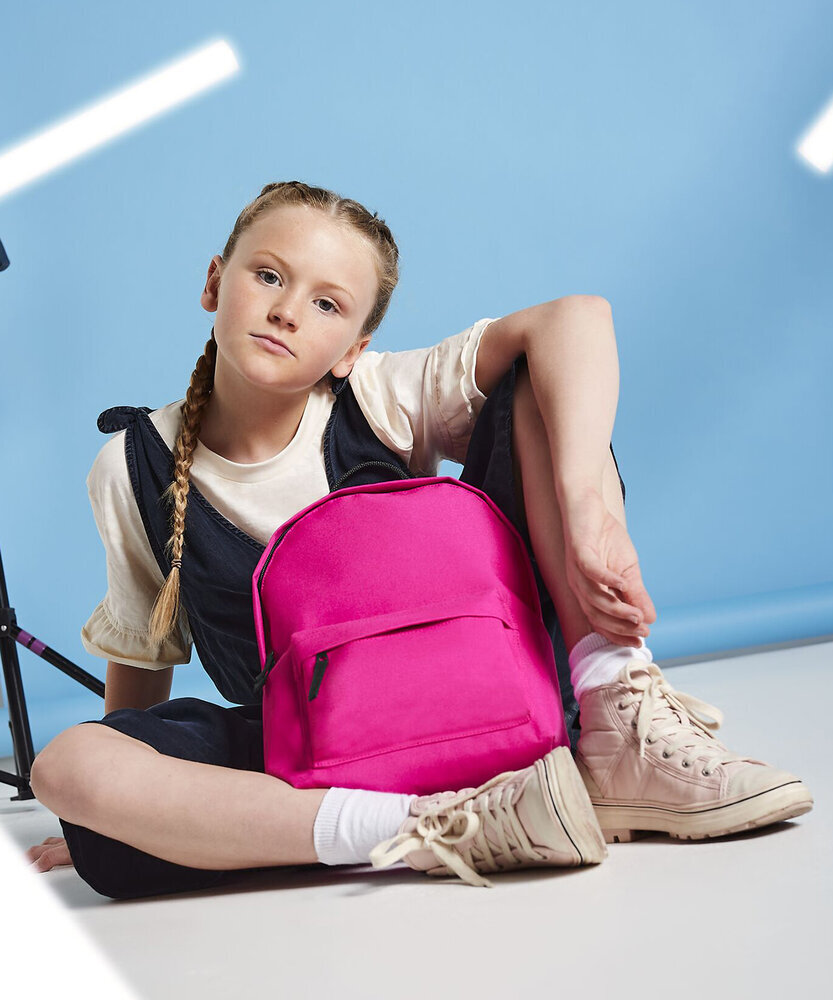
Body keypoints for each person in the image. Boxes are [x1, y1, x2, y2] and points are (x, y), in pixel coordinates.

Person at [26, 181, 812, 897]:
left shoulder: (380, 398)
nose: (287, 310)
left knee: (536, 376)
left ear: (353, 349)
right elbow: (144, 647)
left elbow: (574, 318)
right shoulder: (133, 465)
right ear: (213, 283)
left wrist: (586, 510)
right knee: (68, 767)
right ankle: (442, 824)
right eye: (267, 275)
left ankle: (617, 722)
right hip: (311, 753)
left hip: (493, 694)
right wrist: (126, 801)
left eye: (327, 304)